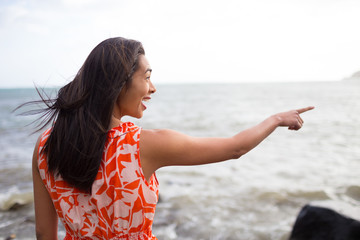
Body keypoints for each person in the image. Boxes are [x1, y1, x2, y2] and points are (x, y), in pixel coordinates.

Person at [28, 37, 314, 239]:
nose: (152, 88)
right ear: (119, 82)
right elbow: (235, 148)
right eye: (147, 77)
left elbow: (43, 233)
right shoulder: (140, 145)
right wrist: (276, 119)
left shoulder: (46, 145)